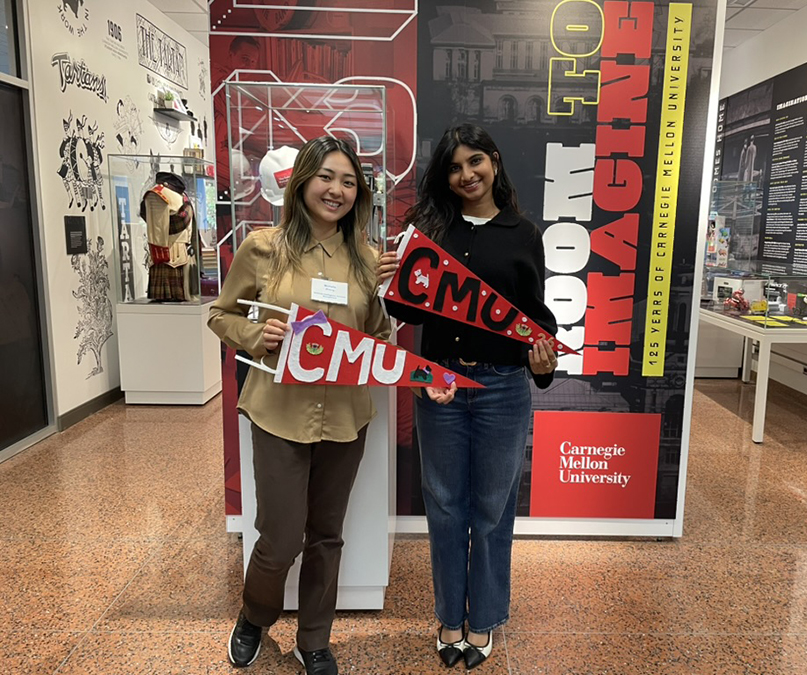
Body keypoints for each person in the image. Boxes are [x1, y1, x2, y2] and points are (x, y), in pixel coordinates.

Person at [378, 123, 558, 670]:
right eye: (455, 167)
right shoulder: (430, 230)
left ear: (495, 162)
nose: (466, 175)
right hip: (443, 385)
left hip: (504, 387)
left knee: (492, 509)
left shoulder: (523, 233)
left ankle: (483, 619)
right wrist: (392, 283)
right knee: (446, 506)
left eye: (475, 162)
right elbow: (411, 312)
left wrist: (544, 362)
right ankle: (449, 618)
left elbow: (535, 317)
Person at [208, 136, 390, 675]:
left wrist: (385, 298)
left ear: (360, 194)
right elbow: (220, 314)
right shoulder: (263, 247)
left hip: (344, 417)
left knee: (327, 536)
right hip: (279, 413)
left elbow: (376, 337)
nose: (337, 190)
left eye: (349, 182)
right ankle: (254, 615)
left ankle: (314, 640)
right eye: (327, 177)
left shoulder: (367, 260)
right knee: (281, 535)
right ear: (303, 180)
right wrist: (253, 334)